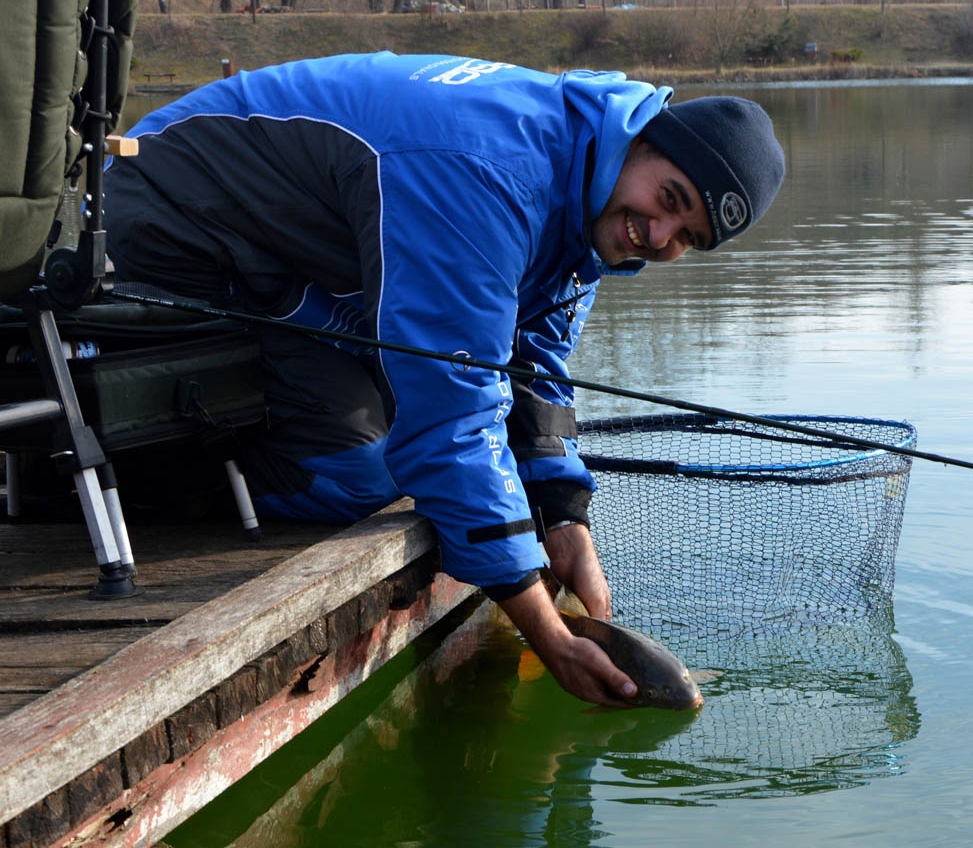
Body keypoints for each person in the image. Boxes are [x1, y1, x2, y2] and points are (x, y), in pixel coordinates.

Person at [104, 53, 785, 706]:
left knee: (438, 454)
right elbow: (450, 419)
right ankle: (125, 477)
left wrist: (565, 518)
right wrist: (544, 629)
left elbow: (533, 362)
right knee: (371, 473)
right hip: (170, 218)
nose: (657, 233)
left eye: (685, 237)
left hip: (295, 263)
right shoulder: (491, 172)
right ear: (642, 141)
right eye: (669, 199)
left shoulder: (586, 194)